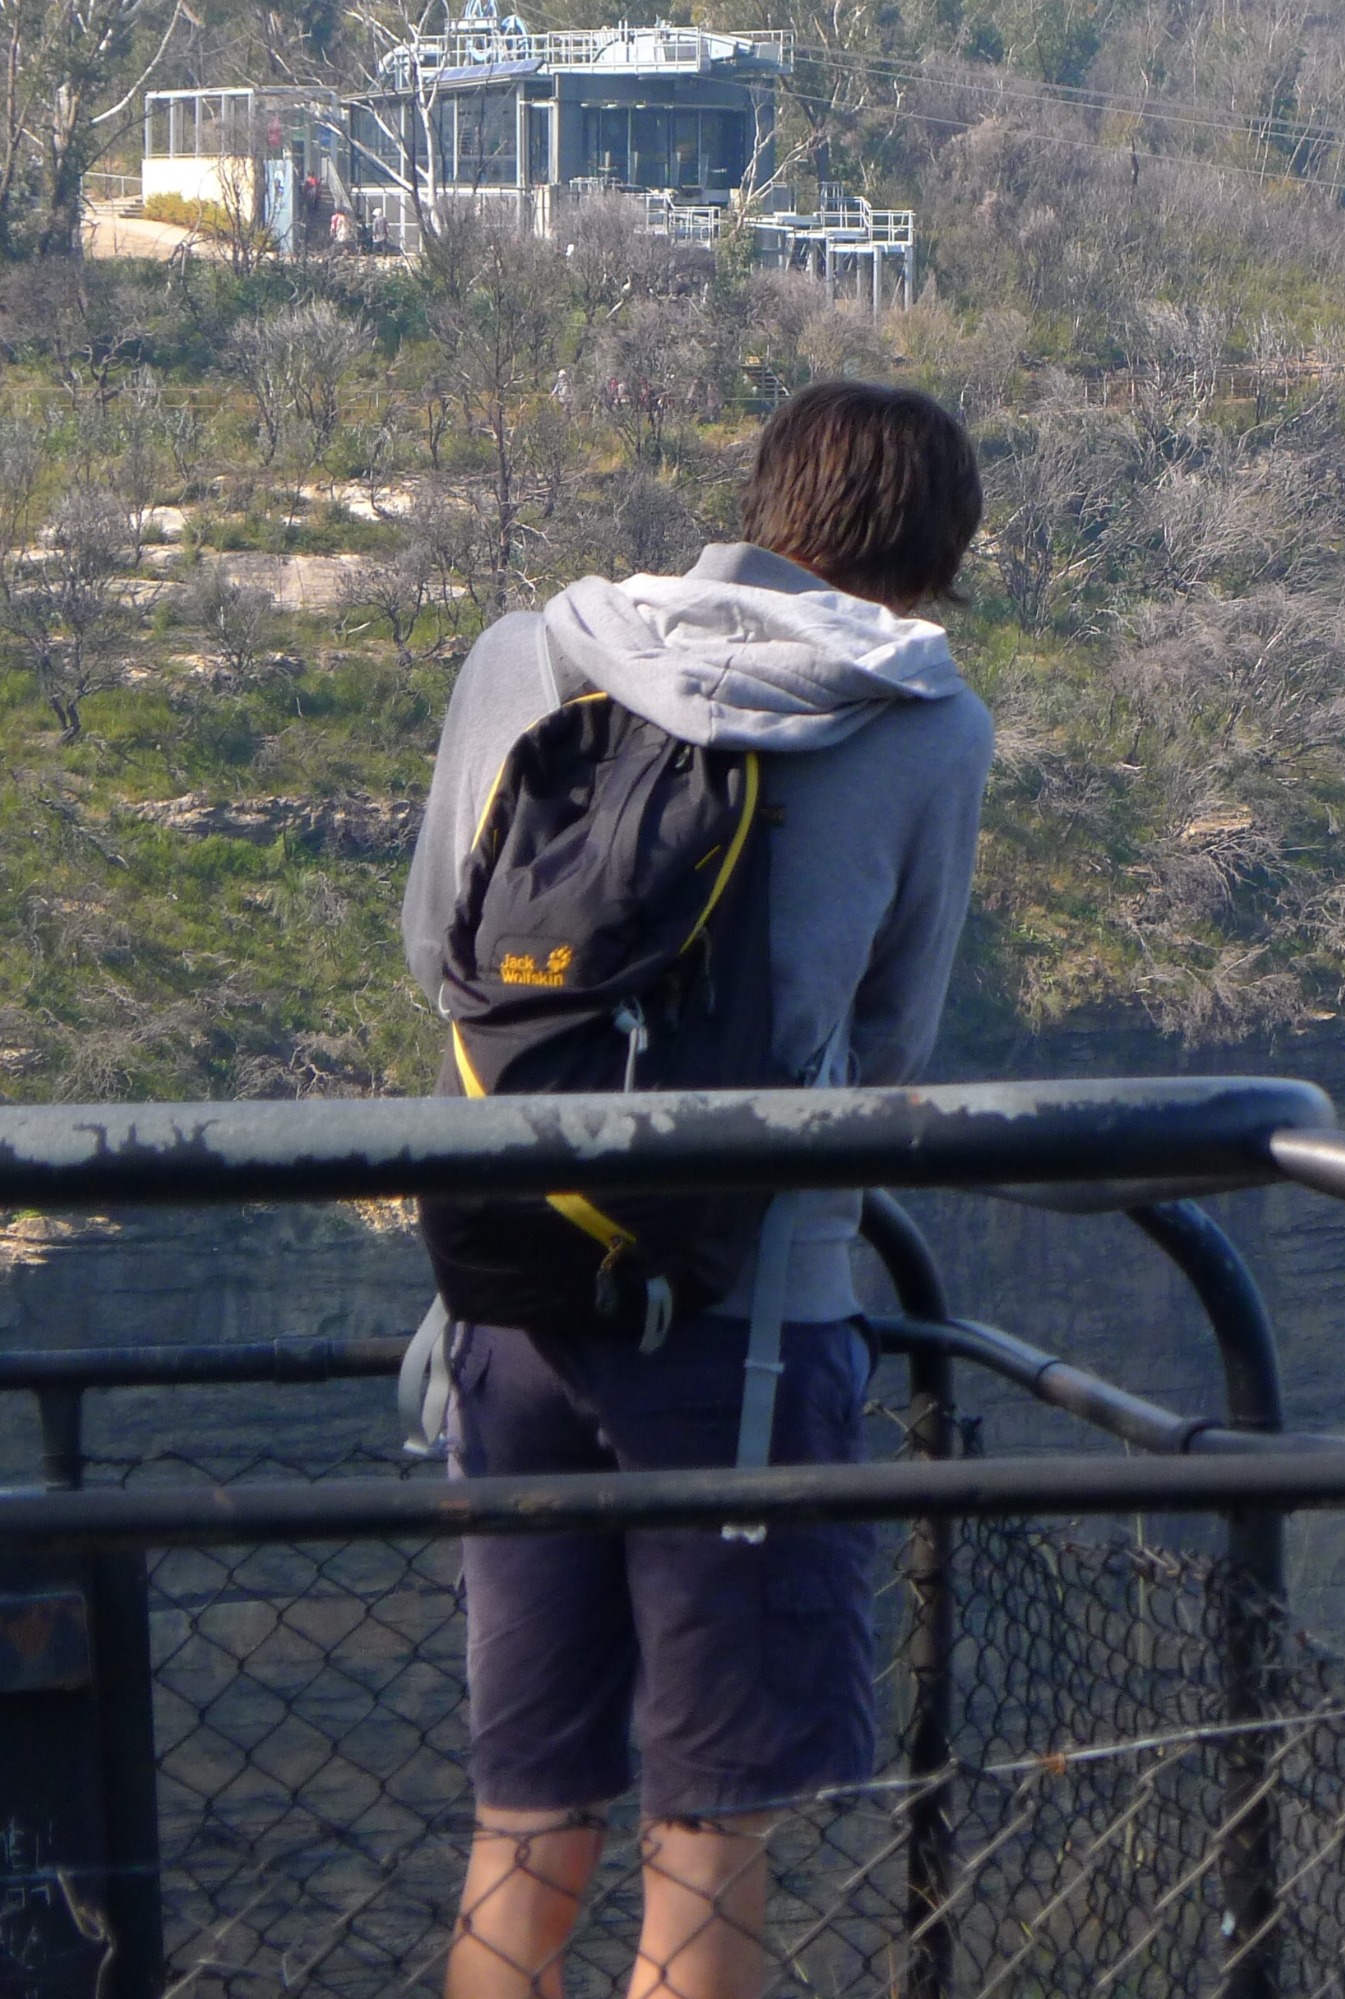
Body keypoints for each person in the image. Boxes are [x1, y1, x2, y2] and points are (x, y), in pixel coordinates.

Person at [398, 382, 992, 1999]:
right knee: (708, 1835)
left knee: (525, 1824)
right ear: (932, 562)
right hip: (749, 1327)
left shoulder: (535, 653)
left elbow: (437, 955)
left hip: (512, 1301)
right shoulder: (923, 720)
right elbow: (891, 1036)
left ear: (767, 498)